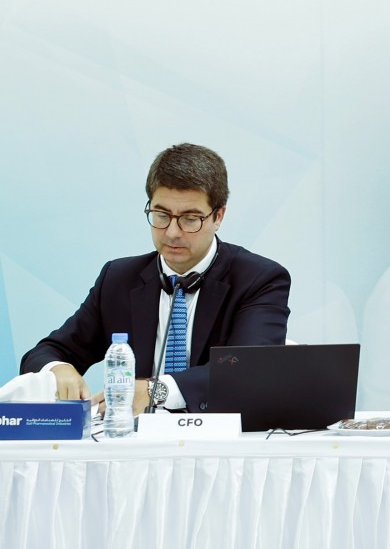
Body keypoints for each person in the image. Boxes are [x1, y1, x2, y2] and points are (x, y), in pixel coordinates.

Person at [20, 144, 291, 413]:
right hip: (136, 446)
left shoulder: (259, 279)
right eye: (161, 215)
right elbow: (45, 352)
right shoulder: (118, 279)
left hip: (220, 444)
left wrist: (156, 391)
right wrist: (58, 368)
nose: (172, 232)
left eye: (189, 219)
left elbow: (247, 369)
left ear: (218, 216)